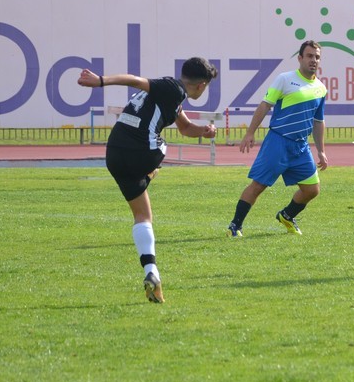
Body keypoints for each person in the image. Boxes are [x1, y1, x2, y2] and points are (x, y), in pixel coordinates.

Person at [77, 57, 219, 304]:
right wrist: (100, 81)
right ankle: (151, 172)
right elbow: (134, 80)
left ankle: (152, 272)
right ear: (202, 85)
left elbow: (185, 128)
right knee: (162, 146)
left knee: (143, 216)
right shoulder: (172, 88)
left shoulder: (171, 98)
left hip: (115, 154)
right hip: (141, 151)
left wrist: (204, 131)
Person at [227, 40, 328, 238]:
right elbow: (265, 105)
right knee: (258, 186)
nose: (313, 60)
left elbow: (318, 121)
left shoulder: (321, 88)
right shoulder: (285, 79)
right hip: (278, 142)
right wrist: (250, 133)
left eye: (317, 57)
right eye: (309, 56)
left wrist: (321, 151)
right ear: (300, 58)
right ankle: (235, 225)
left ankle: (287, 216)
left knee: (312, 189)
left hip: (301, 147)